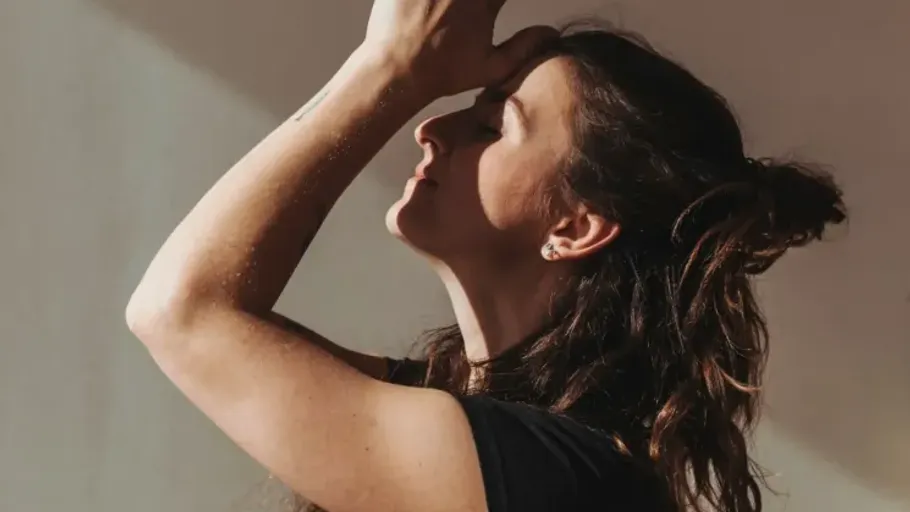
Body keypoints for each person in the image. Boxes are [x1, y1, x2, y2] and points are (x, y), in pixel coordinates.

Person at [125, 1, 846, 511]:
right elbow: (208, 311)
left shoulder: (552, 476)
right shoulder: (480, 423)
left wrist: (390, 70)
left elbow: (185, 311)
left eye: (493, 125)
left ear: (575, 225)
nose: (432, 128)